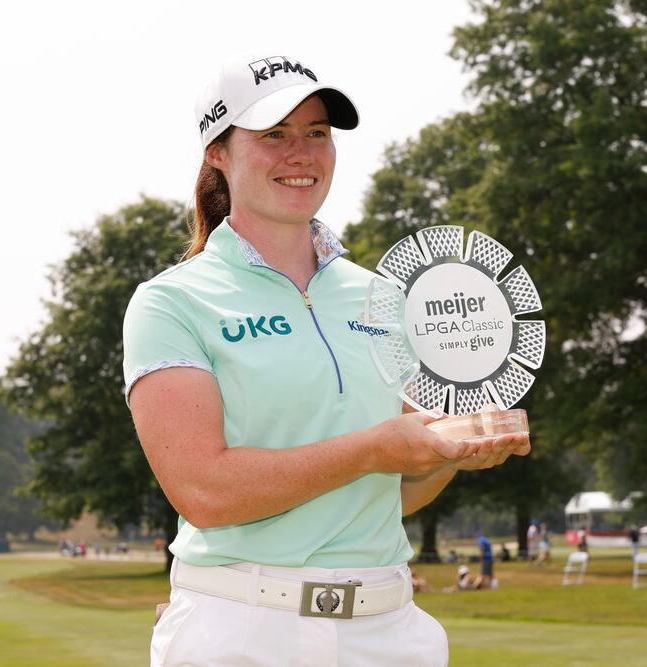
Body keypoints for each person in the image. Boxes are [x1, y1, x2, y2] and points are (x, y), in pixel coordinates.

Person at [123, 53, 531, 667]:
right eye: (273, 136)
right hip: (246, 630)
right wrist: (375, 447)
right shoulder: (172, 301)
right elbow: (203, 489)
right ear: (218, 152)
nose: (301, 153)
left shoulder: (381, 295)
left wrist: (450, 451)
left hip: (389, 631)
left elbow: (386, 495)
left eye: (317, 133)